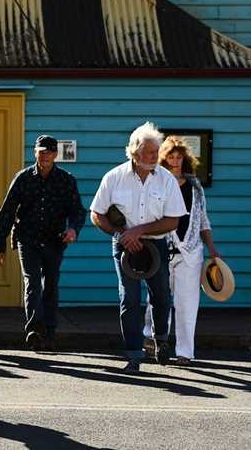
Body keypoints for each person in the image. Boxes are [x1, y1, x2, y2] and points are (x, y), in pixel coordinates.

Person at [89, 122, 186, 374]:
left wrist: (139, 230)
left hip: (156, 245)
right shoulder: (114, 177)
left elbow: (173, 220)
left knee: (161, 295)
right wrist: (122, 234)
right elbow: (97, 214)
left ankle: (161, 339)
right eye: (149, 152)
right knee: (129, 299)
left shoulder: (166, 180)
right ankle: (134, 355)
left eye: (156, 151)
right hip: (124, 246)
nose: (154, 156)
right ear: (134, 152)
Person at [0, 135, 86, 352]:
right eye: (41, 151)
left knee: (51, 284)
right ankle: (34, 329)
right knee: (32, 282)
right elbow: (6, 213)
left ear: (55, 154)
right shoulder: (23, 178)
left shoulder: (65, 180)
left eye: (48, 152)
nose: (44, 156)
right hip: (28, 238)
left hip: (55, 239)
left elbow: (77, 211)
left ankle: (50, 330)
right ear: (34, 152)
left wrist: (73, 229)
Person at [142, 136, 220, 366]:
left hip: (191, 251)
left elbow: (203, 218)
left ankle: (185, 352)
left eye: (179, 157)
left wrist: (212, 248)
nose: (175, 161)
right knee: (158, 298)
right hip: (161, 248)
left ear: (185, 159)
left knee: (187, 302)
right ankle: (153, 340)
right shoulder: (157, 182)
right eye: (171, 157)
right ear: (163, 159)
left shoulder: (195, 186)